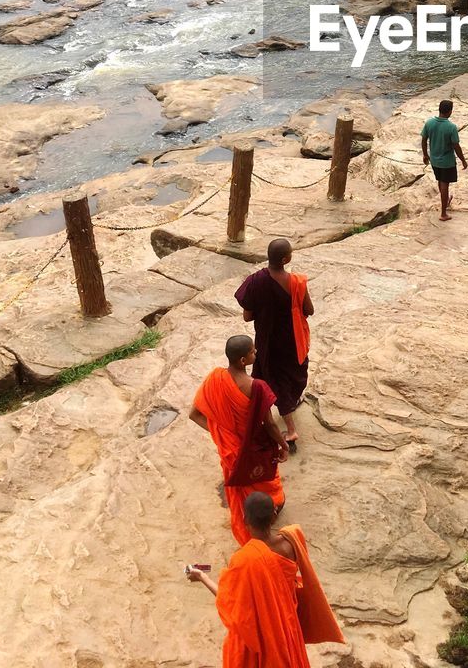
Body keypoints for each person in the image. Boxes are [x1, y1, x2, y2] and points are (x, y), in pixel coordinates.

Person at [187, 491, 345, 668]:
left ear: (245, 519)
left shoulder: (244, 560)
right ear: (274, 515)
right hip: (287, 626)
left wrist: (202, 576)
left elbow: (231, 605)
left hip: (262, 636)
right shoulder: (291, 541)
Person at [190, 335, 289, 545]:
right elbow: (270, 424)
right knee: (267, 483)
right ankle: (267, 513)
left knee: (240, 488)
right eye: (253, 351)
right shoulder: (257, 387)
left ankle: (249, 518)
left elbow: (194, 414)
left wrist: (220, 433)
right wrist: (283, 444)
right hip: (255, 448)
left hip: (230, 449)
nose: (256, 353)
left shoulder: (215, 379)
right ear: (243, 361)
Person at [234, 239, 313, 451]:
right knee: (291, 379)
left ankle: (256, 414)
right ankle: (291, 430)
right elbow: (310, 310)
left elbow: (247, 317)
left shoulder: (255, 281)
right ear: (286, 259)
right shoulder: (297, 283)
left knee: (269, 378)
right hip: (292, 341)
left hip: (267, 342)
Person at [421, 99, 468, 222]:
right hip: (447, 162)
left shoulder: (429, 123)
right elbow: (456, 146)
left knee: (440, 181)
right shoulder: (451, 127)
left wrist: (425, 155)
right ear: (450, 111)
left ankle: (445, 201)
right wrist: (463, 160)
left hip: (434, 160)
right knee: (444, 184)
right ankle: (443, 213)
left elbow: (423, 139)